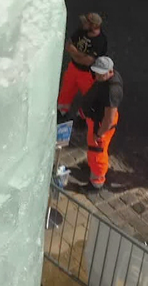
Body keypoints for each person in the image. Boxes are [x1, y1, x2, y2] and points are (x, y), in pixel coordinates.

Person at [80, 56, 122, 194]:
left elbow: (109, 119)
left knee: (97, 152)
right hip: (97, 119)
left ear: (109, 72)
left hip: (102, 124)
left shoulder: (112, 91)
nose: (96, 76)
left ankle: (96, 182)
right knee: (94, 150)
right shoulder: (108, 78)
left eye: (100, 73)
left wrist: (100, 133)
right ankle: (94, 169)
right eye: (96, 72)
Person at [57, 13, 108, 119]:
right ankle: (62, 111)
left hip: (88, 74)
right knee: (66, 91)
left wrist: (75, 52)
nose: (83, 24)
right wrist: (81, 56)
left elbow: (88, 61)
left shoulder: (100, 41)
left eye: (86, 22)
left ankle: (83, 116)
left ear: (93, 26)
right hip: (73, 68)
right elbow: (68, 45)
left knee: (89, 97)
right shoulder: (82, 30)